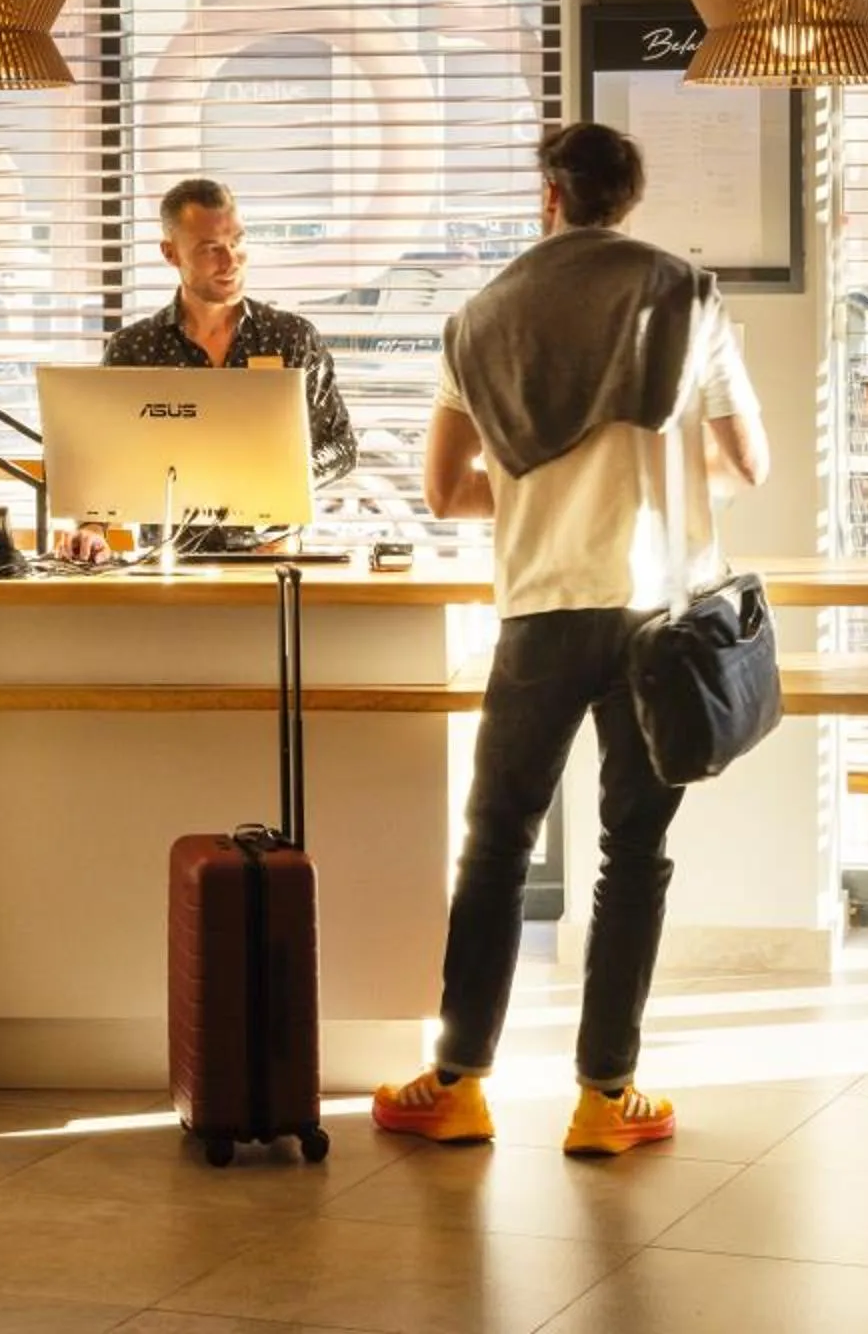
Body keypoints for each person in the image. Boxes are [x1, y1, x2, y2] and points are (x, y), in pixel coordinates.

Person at [371, 121, 768, 1159]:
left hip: (541, 609)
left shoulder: (477, 316)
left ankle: (457, 1082)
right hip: (660, 615)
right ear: (627, 201)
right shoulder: (686, 292)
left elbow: (445, 489)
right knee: (633, 850)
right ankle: (606, 1096)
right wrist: (677, 488)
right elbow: (749, 461)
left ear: (548, 196)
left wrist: (528, 495)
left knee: (495, 847)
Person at [55, 179, 356, 561]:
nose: (230, 261)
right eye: (211, 249)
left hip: (272, 560)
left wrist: (284, 483)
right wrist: (92, 529)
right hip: (167, 565)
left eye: (236, 242)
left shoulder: (292, 338)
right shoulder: (134, 348)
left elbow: (342, 446)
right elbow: (102, 464)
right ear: (170, 253)